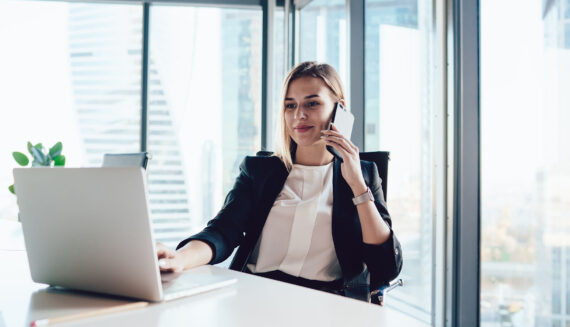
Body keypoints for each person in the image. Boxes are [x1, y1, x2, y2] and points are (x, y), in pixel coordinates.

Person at [156, 61, 402, 301]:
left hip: (323, 306)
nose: (299, 115)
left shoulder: (364, 174)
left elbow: (386, 267)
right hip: (253, 297)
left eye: (312, 103)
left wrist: (358, 186)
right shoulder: (260, 171)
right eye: (290, 105)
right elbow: (223, 231)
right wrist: (179, 259)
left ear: (340, 108)